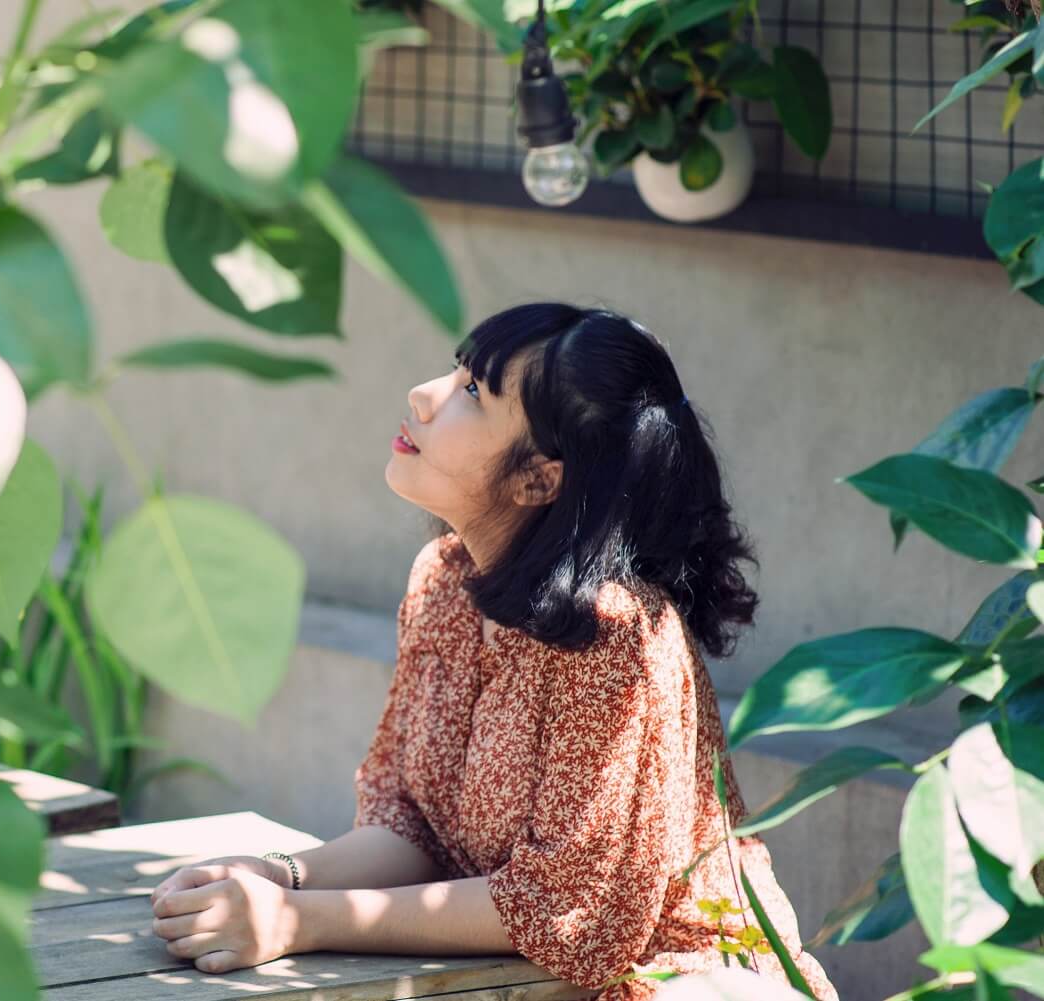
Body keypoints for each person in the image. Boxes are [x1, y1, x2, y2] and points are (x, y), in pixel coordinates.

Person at [147, 303, 838, 999]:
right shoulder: (446, 580)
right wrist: (279, 876)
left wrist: (298, 921)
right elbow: (409, 828)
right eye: (457, 372)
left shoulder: (616, 634)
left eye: (475, 393)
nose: (424, 395)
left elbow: (566, 912)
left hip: (683, 982)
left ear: (540, 478)